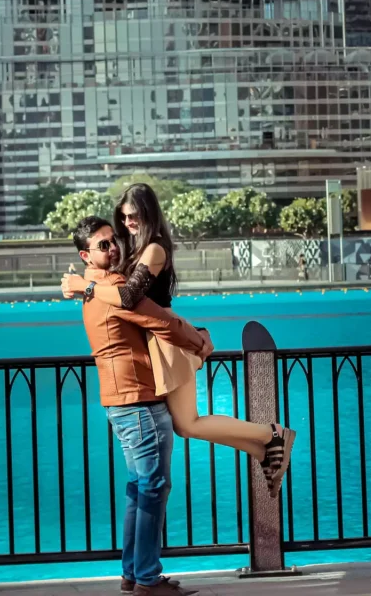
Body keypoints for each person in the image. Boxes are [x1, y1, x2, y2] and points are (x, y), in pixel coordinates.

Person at [62, 183, 294, 493]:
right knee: (186, 425)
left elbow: (129, 296)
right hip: (158, 341)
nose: (129, 223)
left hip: (168, 342)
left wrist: (85, 287)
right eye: (125, 217)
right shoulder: (134, 249)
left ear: (149, 214)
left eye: (135, 216)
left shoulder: (155, 248)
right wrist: (81, 282)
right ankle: (262, 451)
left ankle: (271, 435)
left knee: (188, 423)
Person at [63, 216, 209, 596]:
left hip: (119, 402)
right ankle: (146, 578)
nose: (113, 248)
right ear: (86, 255)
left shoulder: (92, 290)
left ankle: (133, 573)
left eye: (114, 241)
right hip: (139, 400)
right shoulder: (110, 286)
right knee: (154, 486)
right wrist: (200, 342)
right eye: (103, 245)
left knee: (139, 486)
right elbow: (161, 321)